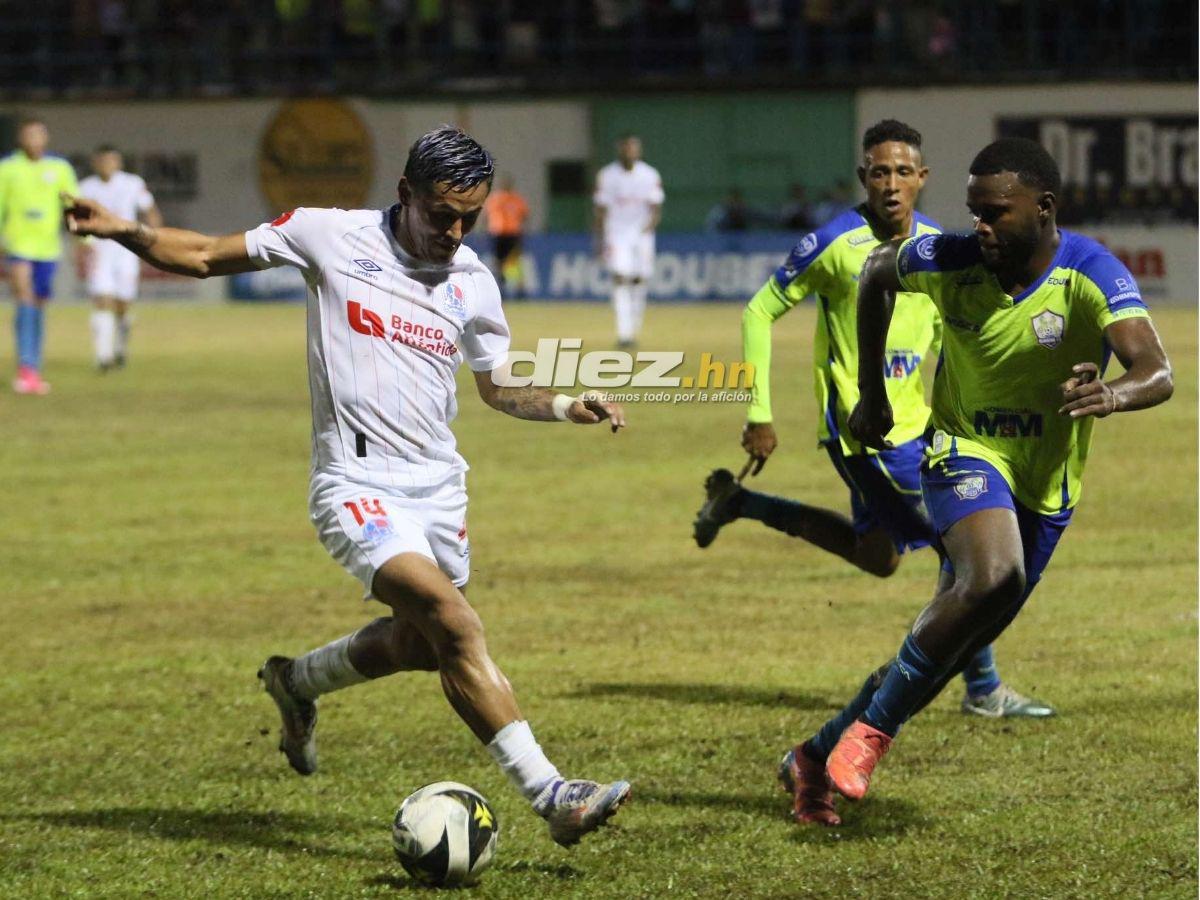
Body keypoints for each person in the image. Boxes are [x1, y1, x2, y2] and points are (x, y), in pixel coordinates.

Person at [64, 125, 632, 847]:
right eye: (441, 214)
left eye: (470, 218)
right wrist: (121, 230)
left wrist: (562, 404)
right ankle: (553, 794)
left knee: (426, 645)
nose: (454, 232)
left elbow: (498, 388)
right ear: (404, 194)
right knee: (453, 622)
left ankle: (296, 682)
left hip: (439, 487)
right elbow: (205, 254)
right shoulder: (327, 235)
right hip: (353, 481)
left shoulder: (472, 282)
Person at [781, 137, 1173, 825]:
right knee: (994, 577)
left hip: (1045, 486)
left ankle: (813, 756)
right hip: (962, 450)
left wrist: (1114, 393)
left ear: (1045, 208)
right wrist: (871, 395)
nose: (978, 227)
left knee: (943, 647)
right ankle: (871, 737)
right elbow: (877, 273)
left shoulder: (1089, 270)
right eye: (973, 212)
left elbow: (1156, 370)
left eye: (995, 213)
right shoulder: (952, 258)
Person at [694, 121, 1052, 765]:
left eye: (902, 171)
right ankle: (984, 685)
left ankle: (741, 504)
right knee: (968, 548)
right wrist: (758, 409)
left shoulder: (943, 246)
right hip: (869, 438)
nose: (891, 184)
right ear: (865, 178)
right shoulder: (832, 243)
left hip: (929, 429)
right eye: (879, 172)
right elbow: (758, 311)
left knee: (878, 555)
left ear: (922, 178)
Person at [0, 118, 79, 394]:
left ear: (46, 138)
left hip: (48, 248)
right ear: (21, 139)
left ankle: (34, 366)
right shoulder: (8, 168)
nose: (34, 139)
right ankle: (26, 367)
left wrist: (83, 238)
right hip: (18, 245)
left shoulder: (59, 168)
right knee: (24, 300)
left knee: (38, 305)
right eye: (29, 135)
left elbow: (72, 204)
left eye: (39, 134)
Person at [77, 144, 162, 371]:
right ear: (95, 163)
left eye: (111, 160)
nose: (107, 165)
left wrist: (156, 241)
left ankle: (120, 348)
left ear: (118, 163)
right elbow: (76, 221)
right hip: (99, 250)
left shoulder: (132, 184)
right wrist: (80, 246)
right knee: (102, 299)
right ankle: (103, 356)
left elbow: (150, 211)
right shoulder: (85, 188)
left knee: (123, 304)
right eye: (102, 160)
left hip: (127, 249)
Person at [593, 134, 664, 348]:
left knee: (639, 280)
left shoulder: (650, 175)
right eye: (626, 148)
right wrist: (600, 238)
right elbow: (600, 208)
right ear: (620, 150)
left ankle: (634, 324)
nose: (630, 152)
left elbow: (656, 208)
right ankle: (624, 332)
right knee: (620, 277)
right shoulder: (607, 175)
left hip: (642, 234)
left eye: (634, 148)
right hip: (616, 233)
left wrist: (649, 228)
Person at [483, 175, 529, 298]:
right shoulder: (495, 199)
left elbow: (524, 215)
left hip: (512, 233)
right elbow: (487, 216)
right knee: (499, 262)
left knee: (512, 262)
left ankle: (519, 290)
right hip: (498, 233)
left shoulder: (515, 199)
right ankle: (502, 288)